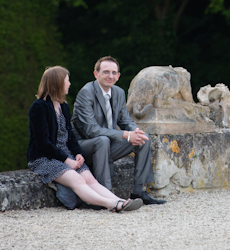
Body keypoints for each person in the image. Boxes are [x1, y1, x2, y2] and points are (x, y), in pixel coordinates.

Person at [27, 65, 143, 212]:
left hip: (66, 155)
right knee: (79, 180)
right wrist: (66, 160)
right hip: (45, 158)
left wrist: (77, 154)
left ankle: (118, 200)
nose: (69, 84)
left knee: (90, 180)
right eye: (67, 80)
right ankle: (112, 205)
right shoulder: (39, 107)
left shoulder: (62, 106)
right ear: (57, 83)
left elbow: (70, 136)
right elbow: (42, 143)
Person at [72, 56, 166, 205]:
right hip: (84, 148)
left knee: (143, 139)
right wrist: (126, 134)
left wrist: (135, 131)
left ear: (118, 76)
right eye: (106, 72)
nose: (110, 76)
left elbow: (124, 120)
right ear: (96, 74)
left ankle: (138, 192)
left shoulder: (119, 93)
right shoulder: (86, 93)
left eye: (114, 72)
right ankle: (105, 195)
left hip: (107, 145)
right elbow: (91, 130)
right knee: (102, 140)